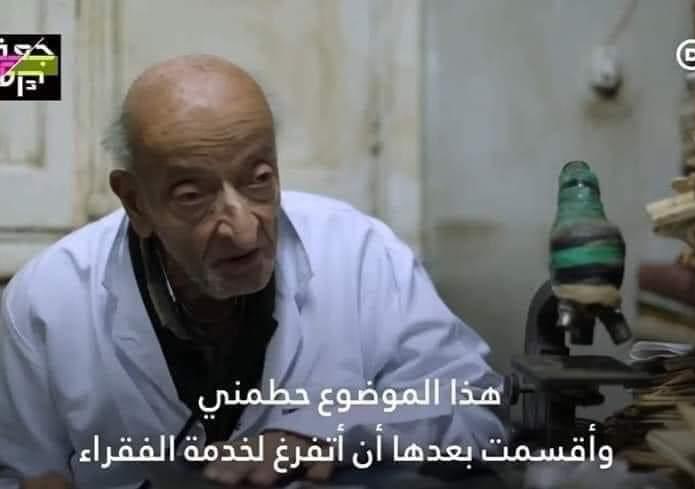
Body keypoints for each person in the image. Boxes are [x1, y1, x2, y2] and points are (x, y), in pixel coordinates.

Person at [0, 55, 505, 489]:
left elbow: (478, 412)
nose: (242, 230)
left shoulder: (361, 254)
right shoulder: (48, 300)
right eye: (192, 195)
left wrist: (328, 430)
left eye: (259, 179)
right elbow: (22, 470)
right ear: (136, 202)